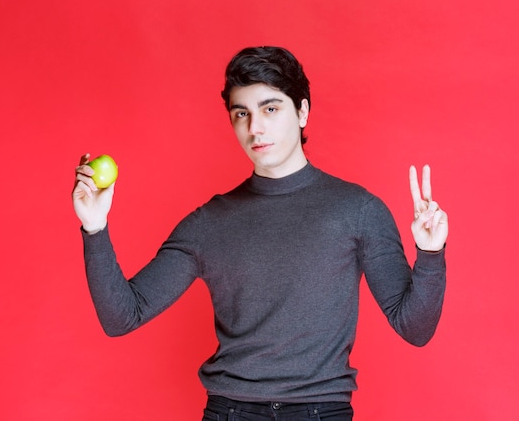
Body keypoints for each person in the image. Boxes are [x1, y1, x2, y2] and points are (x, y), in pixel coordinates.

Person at [72, 46, 448, 421]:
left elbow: (414, 328)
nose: (255, 128)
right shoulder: (210, 222)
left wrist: (430, 254)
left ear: (302, 111)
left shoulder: (359, 210)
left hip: (321, 412)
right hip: (230, 412)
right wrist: (95, 227)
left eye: (270, 109)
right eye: (242, 114)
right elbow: (122, 317)